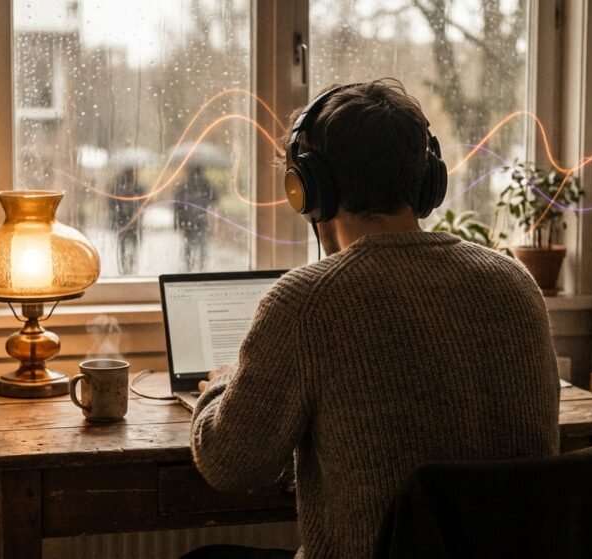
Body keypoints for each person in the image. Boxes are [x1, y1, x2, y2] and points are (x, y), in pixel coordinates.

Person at [187, 80, 560, 558]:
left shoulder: (308, 301)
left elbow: (230, 464)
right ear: (427, 180)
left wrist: (222, 384)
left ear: (308, 188)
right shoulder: (515, 281)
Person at [174, 165, 217, 271]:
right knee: (202, 244)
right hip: (201, 219)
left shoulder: (184, 185)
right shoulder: (206, 184)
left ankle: (189, 265)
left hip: (188, 220)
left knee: (189, 244)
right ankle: (201, 267)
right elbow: (215, 199)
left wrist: (177, 221)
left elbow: (177, 205)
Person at [109, 166, 144, 275]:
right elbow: (111, 203)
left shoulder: (136, 187)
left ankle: (129, 265)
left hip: (129, 221)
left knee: (129, 244)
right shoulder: (121, 188)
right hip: (124, 221)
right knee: (125, 244)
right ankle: (127, 265)